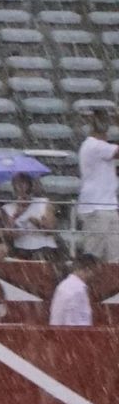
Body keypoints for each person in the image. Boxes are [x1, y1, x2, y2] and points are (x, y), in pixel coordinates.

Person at [77, 106, 119, 261]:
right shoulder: (93, 145)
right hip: (96, 207)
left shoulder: (102, 147)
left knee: (115, 258)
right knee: (93, 256)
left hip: (108, 206)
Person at [50, 254, 97, 326]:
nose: (93, 275)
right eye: (94, 271)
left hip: (59, 331)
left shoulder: (63, 285)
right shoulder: (78, 290)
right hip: (72, 332)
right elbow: (75, 322)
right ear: (87, 269)